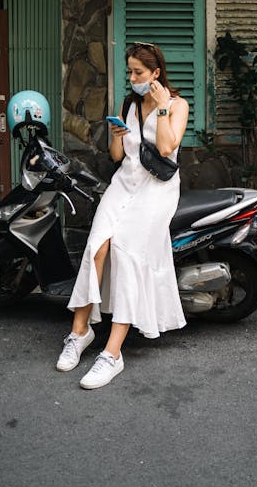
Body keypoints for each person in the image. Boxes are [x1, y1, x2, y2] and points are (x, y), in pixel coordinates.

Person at [56, 42, 189, 389]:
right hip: (125, 182)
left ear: (156, 73)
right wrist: (117, 135)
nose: (132, 78)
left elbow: (165, 149)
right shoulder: (128, 103)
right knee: (96, 247)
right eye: (130, 71)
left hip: (156, 190)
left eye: (138, 73)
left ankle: (112, 354)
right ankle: (79, 333)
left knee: (127, 253)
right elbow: (118, 155)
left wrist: (160, 110)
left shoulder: (177, 105)